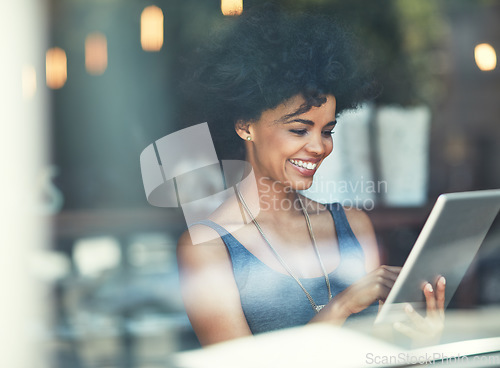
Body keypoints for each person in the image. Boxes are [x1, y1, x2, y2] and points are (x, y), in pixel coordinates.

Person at [177, 5, 446, 347]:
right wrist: (342, 306)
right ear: (246, 125)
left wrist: (422, 339)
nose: (319, 147)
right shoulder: (208, 248)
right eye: (300, 130)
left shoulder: (353, 226)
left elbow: (379, 352)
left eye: (327, 131)